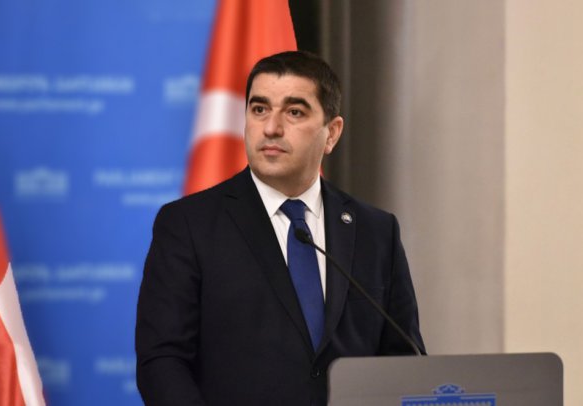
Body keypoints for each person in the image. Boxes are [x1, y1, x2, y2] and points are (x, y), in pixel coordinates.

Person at [135, 50, 425, 406]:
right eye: (259, 109)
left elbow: (403, 359)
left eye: (294, 112)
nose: (271, 128)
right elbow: (163, 361)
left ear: (332, 133)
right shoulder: (189, 224)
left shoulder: (377, 232)